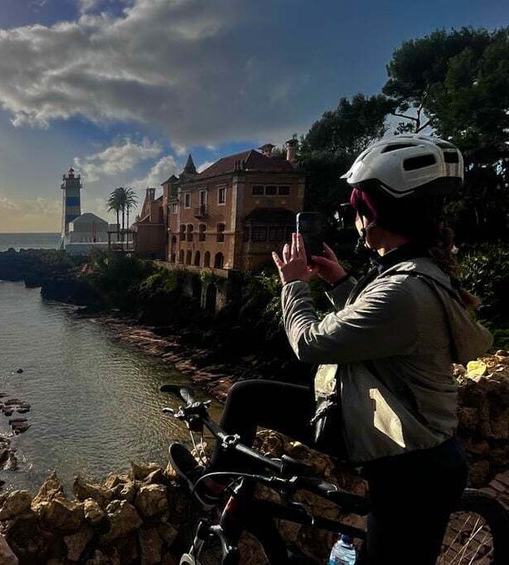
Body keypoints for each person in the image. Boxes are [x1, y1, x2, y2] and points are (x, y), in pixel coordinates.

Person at [170, 134, 493, 564]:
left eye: (355, 209)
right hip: (382, 431)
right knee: (247, 395)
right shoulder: (412, 276)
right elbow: (380, 330)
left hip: (410, 468)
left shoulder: (403, 289)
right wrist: (341, 283)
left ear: (373, 214)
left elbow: (309, 343)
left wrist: (294, 286)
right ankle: (213, 487)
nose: (351, 219)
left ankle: (215, 489)